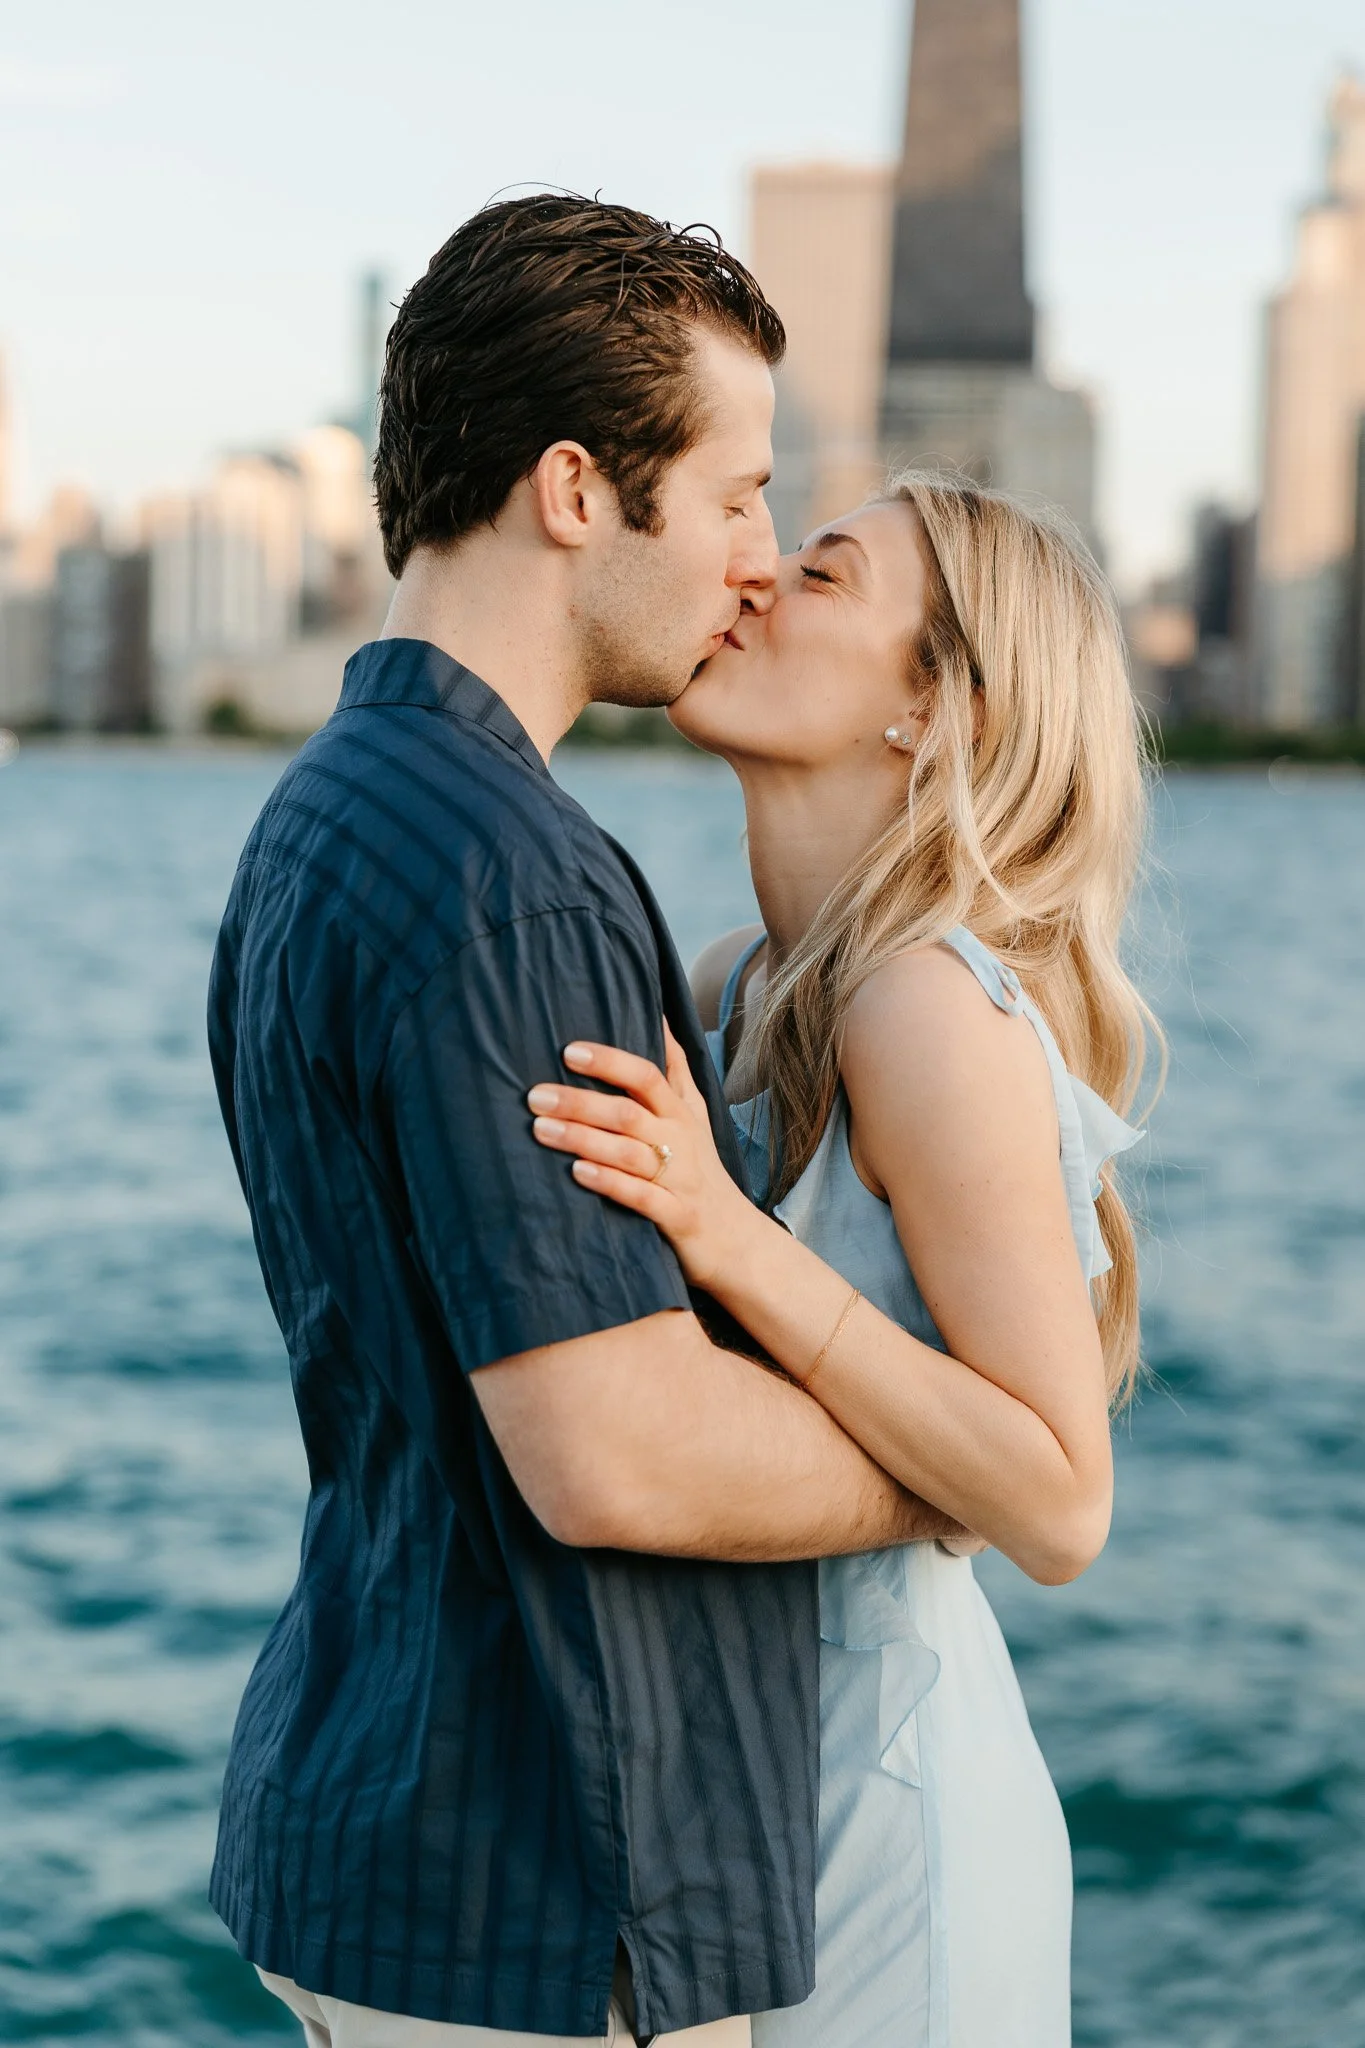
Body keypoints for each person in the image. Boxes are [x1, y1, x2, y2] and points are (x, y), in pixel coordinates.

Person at [207, 197, 967, 2048]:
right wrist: (942, 1477)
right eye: (731, 498)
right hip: (547, 1890)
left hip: (387, 1822)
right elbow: (615, 1454)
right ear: (573, 489)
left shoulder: (325, 818)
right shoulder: (515, 875)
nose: (756, 561)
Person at [527, 475, 1160, 2047]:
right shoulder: (742, 981)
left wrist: (728, 1237)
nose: (749, 583)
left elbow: (1064, 1500)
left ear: (931, 706)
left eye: (821, 572)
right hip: (741, 1791)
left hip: (889, 1815)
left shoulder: (922, 1006)